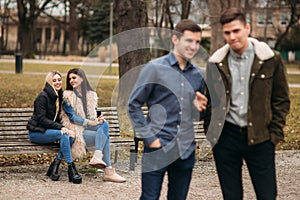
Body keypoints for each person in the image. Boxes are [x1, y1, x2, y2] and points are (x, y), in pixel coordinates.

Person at [205, 8, 290, 199]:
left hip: (260, 137)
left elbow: (281, 99)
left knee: (267, 194)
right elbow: (210, 102)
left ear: (247, 28)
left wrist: (274, 135)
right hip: (226, 138)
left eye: (236, 31)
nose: (232, 37)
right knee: (231, 195)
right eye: (227, 32)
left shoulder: (270, 59)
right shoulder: (215, 63)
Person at [128, 19, 207, 200]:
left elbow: (198, 114)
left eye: (197, 42)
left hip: (185, 151)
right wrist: (150, 139)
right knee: (149, 198)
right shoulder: (155, 68)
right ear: (175, 39)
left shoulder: (199, 74)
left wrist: (201, 109)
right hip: (157, 147)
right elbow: (134, 105)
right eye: (189, 40)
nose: (194, 46)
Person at [60, 68, 126, 183]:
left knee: (104, 124)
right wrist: (91, 123)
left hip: (89, 129)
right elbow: (73, 118)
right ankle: (108, 171)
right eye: (69, 79)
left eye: (74, 77)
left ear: (82, 78)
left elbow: (93, 115)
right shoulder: (67, 97)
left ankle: (98, 156)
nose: (71, 80)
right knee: (105, 137)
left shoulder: (91, 95)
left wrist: (97, 119)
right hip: (77, 132)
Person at [27, 71, 82, 184]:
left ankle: (55, 165)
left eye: (59, 80)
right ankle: (71, 169)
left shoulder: (59, 96)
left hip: (49, 131)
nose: (58, 82)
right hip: (37, 132)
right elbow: (42, 119)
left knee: (71, 136)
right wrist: (61, 128)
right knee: (65, 134)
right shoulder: (43, 97)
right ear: (49, 82)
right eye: (54, 80)